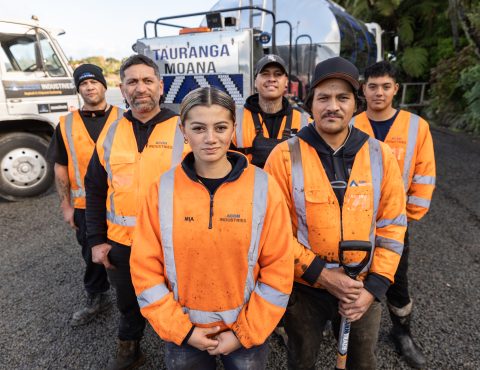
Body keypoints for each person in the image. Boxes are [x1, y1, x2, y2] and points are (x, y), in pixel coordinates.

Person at [130, 86, 294, 370]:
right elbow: (145, 269)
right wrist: (184, 331)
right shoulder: (161, 190)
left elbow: (278, 270)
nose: (210, 138)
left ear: (233, 129)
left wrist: (243, 333)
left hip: (244, 337)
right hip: (185, 334)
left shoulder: (264, 188)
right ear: (183, 131)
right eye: (198, 127)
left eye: (220, 127)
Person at [264, 56, 407, 370]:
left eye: (342, 98)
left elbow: (392, 226)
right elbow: (273, 234)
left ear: (355, 104)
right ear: (310, 103)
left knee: (363, 362)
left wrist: (374, 288)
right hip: (306, 288)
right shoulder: (283, 157)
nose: (333, 106)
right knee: (301, 360)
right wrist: (324, 276)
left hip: (362, 286)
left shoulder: (380, 155)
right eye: (323, 97)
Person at [84, 54, 186, 369]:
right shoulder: (111, 133)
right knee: (128, 304)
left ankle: (182, 353)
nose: (140, 88)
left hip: (174, 244)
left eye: (147, 80)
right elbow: (95, 189)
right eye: (132, 81)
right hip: (121, 244)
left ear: (161, 86)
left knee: (178, 303)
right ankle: (130, 349)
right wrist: (97, 240)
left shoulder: (185, 129)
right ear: (122, 88)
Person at [351, 60, 436, 369]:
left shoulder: (417, 127)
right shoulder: (350, 123)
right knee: (352, 273)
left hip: (395, 222)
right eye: (372, 86)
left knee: (397, 279)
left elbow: (424, 176)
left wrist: (405, 218)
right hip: (351, 220)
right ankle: (347, 327)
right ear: (363, 89)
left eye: (386, 87)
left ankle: (402, 333)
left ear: (396, 89)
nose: (379, 93)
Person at [46, 63, 123, 327]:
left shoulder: (124, 118)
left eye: (94, 82)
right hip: (84, 205)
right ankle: (97, 297)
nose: (89, 87)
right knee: (91, 252)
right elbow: (60, 166)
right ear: (78, 89)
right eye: (83, 84)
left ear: (104, 85)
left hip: (122, 202)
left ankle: (136, 299)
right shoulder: (66, 124)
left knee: (129, 251)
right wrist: (66, 205)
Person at [232, 54, 311, 168]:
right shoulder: (234, 119)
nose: (271, 79)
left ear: (286, 82)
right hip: (246, 185)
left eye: (278, 74)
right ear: (255, 81)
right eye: (265, 74)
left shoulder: (306, 122)